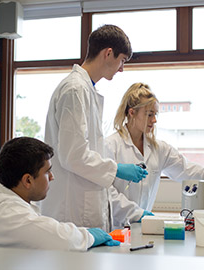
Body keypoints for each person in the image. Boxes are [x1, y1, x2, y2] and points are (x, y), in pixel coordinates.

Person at [41, 24, 147, 233]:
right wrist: (116, 169)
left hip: (83, 206)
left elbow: (86, 154)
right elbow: (73, 156)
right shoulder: (75, 90)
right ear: (109, 53)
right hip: (72, 209)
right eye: (122, 60)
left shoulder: (85, 89)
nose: (122, 68)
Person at [105, 83, 204, 228]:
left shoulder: (159, 149)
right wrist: (136, 213)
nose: (154, 120)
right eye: (149, 114)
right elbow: (107, 192)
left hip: (142, 228)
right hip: (115, 228)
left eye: (155, 114)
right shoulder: (110, 146)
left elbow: (188, 169)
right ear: (131, 113)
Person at [0, 137, 120, 250]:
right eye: (47, 172)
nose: (52, 177)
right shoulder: (4, 212)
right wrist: (90, 236)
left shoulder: (5, 186)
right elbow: (58, 238)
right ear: (27, 180)